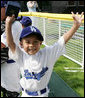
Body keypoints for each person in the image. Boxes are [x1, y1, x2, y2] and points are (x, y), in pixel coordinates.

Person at [5, 12, 84, 97]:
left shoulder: (47, 54)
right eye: (27, 42)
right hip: (26, 94)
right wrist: (8, 24)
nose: (31, 45)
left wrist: (75, 26)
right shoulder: (21, 55)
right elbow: (10, 44)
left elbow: (62, 41)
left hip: (42, 95)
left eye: (35, 42)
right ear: (21, 44)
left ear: (40, 43)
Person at [1, 1, 22, 97]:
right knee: (5, 90)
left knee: (12, 93)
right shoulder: (4, 23)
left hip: (11, 66)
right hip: (4, 65)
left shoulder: (15, 25)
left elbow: (2, 44)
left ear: (6, 9)